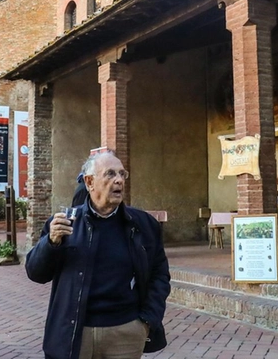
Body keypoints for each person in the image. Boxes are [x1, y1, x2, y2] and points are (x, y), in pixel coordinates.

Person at [26, 150, 171, 359]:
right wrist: (51, 242)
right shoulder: (65, 223)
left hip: (125, 333)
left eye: (122, 174)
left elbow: (160, 274)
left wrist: (147, 321)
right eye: (110, 174)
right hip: (76, 333)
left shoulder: (143, 225)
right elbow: (35, 273)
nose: (119, 180)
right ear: (89, 182)